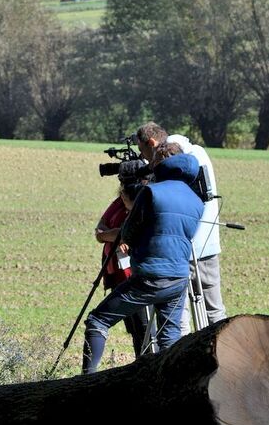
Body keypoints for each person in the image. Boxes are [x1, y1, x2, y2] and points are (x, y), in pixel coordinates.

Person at [82, 143, 203, 374]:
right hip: (178, 277)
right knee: (169, 338)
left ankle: (86, 382)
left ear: (159, 164)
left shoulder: (150, 192)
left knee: (97, 321)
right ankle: (169, 391)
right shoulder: (195, 199)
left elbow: (127, 233)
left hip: (149, 275)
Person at [135, 122, 226, 331]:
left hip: (180, 248)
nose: (147, 161)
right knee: (215, 313)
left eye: (144, 152)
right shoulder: (198, 152)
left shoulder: (174, 163)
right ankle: (222, 356)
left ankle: (180, 360)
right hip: (208, 244)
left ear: (152, 143)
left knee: (176, 316)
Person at [94, 178, 148, 358]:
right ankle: (138, 363)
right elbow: (100, 231)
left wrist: (114, 234)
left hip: (134, 277)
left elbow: (124, 233)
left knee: (143, 326)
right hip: (117, 273)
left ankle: (145, 363)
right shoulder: (118, 203)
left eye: (124, 192)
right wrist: (114, 235)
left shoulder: (143, 208)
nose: (120, 193)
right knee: (133, 328)